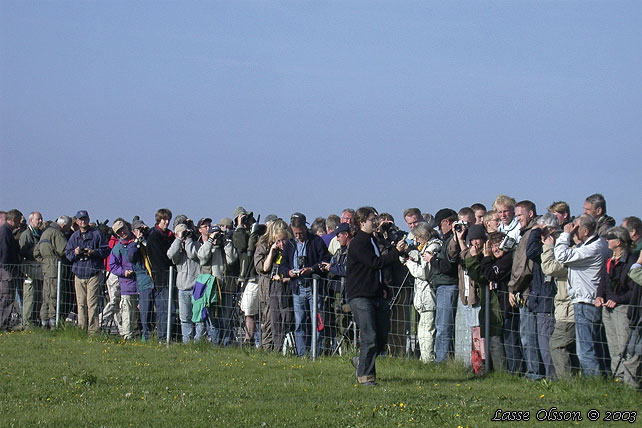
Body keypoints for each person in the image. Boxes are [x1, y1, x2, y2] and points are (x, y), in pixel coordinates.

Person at [346, 207, 398, 386]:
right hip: (361, 295)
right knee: (370, 336)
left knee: (381, 337)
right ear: (362, 222)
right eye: (372, 219)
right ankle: (365, 377)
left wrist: (382, 287)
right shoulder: (359, 242)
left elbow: (376, 270)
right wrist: (396, 253)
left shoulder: (373, 240)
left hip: (376, 294)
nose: (376, 222)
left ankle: (362, 362)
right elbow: (375, 263)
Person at [554, 214, 611, 376]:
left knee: (585, 349)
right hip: (587, 299)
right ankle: (601, 380)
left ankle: (594, 383)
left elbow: (562, 256)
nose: (573, 231)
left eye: (576, 228)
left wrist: (565, 234)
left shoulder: (593, 248)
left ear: (585, 231)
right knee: (594, 345)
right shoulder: (594, 244)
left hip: (586, 301)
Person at [280, 212, 331, 356]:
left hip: (314, 287)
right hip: (297, 288)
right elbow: (282, 265)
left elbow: (325, 259)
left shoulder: (316, 241)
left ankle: (317, 352)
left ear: (305, 228)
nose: (298, 236)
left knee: (317, 322)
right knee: (299, 323)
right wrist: (288, 272)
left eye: (301, 233)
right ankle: (302, 354)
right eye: (295, 233)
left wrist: (311, 269)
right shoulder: (289, 244)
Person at [595, 227, 637, 381]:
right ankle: (617, 377)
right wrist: (600, 296)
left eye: (610, 238)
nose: (607, 240)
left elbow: (633, 289)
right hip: (607, 307)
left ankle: (629, 380)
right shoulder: (610, 260)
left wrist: (617, 300)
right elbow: (603, 282)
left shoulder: (631, 260)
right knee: (612, 345)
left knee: (624, 345)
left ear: (618, 241)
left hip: (623, 309)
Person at [540, 219, 577, 379]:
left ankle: (566, 382)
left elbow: (549, 268)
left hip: (569, 308)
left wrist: (548, 247)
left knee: (557, 344)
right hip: (564, 306)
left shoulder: (573, 254)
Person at [398, 222, 440, 363]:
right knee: (421, 331)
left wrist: (407, 263)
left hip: (428, 296)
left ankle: (428, 360)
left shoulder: (433, 247)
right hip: (422, 295)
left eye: (418, 238)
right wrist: (409, 251)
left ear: (424, 235)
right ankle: (424, 358)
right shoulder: (427, 247)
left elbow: (423, 272)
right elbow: (420, 257)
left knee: (427, 331)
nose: (416, 240)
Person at [64, 210, 110, 335]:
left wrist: (93, 252)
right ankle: (81, 329)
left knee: (92, 303)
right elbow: (68, 255)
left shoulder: (97, 234)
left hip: (93, 273)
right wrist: (76, 253)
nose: (83, 221)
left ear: (88, 220)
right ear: (77, 221)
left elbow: (106, 251)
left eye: (85, 219)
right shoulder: (74, 237)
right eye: (80, 219)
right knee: (81, 304)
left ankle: (93, 331)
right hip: (78, 273)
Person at [526, 213, 559, 379]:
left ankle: (552, 377)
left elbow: (531, 251)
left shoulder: (553, 247)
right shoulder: (547, 245)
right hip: (541, 298)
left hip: (547, 300)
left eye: (543, 230)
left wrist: (535, 231)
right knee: (542, 342)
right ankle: (551, 376)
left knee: (546, 344)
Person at [426, 208, 459, 363]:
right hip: (444, 286)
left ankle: (441, 361)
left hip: (447, 286)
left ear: (446, 222)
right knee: (442, 325)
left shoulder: (452, 240)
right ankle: (443, 359)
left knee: (443, 326)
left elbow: (448, 267)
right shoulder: (448, 240)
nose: (440, 229)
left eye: (440, 226)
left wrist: (432, 260)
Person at [254, 219, 292, 351]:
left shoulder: (288, 245)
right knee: (268, 318)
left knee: (280, 318)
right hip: (267, 285)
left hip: (281, 286)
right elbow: (261, 267)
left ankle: (278, 347)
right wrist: (272, 252)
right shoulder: (263, 245)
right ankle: (266, 347)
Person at [109, 221, 150, 340]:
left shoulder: (141, 241)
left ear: (128, 227)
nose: (123, 232)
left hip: (143, 282)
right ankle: (127, 336)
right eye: (119, 232)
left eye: (123, 229)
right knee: (127, 312)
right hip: (127, 284)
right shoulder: (118, 248)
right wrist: (123, 272)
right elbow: (113, 265)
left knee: (142, 312)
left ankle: (143, 335)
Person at [33, 215, 71, 328]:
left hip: (45, 267)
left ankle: (44, 319)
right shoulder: (57, 233)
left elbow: (36, 252)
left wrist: (44, 260)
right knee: (55, 294)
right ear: (63, 226)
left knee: (46, 295)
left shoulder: (45, 232)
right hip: (55, 267)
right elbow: (64, 250)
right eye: (68, 227)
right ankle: (54, 321)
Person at [167, 220, 201, 343]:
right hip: (182, 288)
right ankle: (187, 343)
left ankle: (198, 342)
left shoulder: (196, 244)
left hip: (196, 287)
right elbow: (170, 255)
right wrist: (178, 240)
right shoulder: (176, 248)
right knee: (185, 318)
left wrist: (189, 240)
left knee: (198, 318)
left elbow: (192, 254)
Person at [146, 208, 175, 342]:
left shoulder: (170, 236)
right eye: (164, 219)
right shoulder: (154, 236)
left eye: (168, 219)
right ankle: (163, 338)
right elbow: (159, 258)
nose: (167, 222)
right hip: (161, 278)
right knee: (164, 309)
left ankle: (170, 335)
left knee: (171, 310)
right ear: (159, 220)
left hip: (172, 276)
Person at [130, 220, 155, 341]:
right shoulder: (132, 245)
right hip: (144, 280)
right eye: (138, 230)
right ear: (133, 232)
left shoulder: (150, 241)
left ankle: (156, 335)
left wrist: (148, 233)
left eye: (142, 229)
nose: (141, 232)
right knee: (146, 310)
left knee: (158, 309)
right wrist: (137, 242)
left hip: (155, 278)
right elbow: (131, 257)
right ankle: (147, 336)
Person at [19, 211, 44, 328]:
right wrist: (36, 251)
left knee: (38, 296)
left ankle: (34, 320)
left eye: (41, 219)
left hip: (38, 270)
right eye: (38, 219)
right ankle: (27, 322)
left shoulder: (39, 233)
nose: (40, 221)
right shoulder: (26, 234)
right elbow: (22, 251)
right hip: (28, 269)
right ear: (31, 220)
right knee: (30, 296)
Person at [0, 209, 23, 331]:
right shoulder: (5, 232)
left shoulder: (7, 231)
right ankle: (3, 325)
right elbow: (4, 252)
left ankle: (4, 323)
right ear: (13, 220)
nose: (20, 222)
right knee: (7, 297)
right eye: (19, 220)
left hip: (6, 268)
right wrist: (7, 269)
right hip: (6, 270)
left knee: (6, 297)